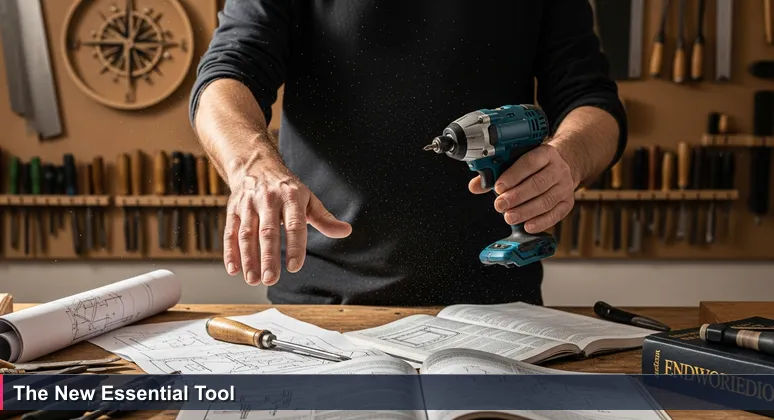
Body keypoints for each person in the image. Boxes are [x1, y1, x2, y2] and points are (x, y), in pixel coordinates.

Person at [190, 0, 627, 306]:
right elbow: (227, 73)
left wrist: (566, 158)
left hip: (497, 302)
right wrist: (253, 165)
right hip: (322, 301)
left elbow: (592, 101)